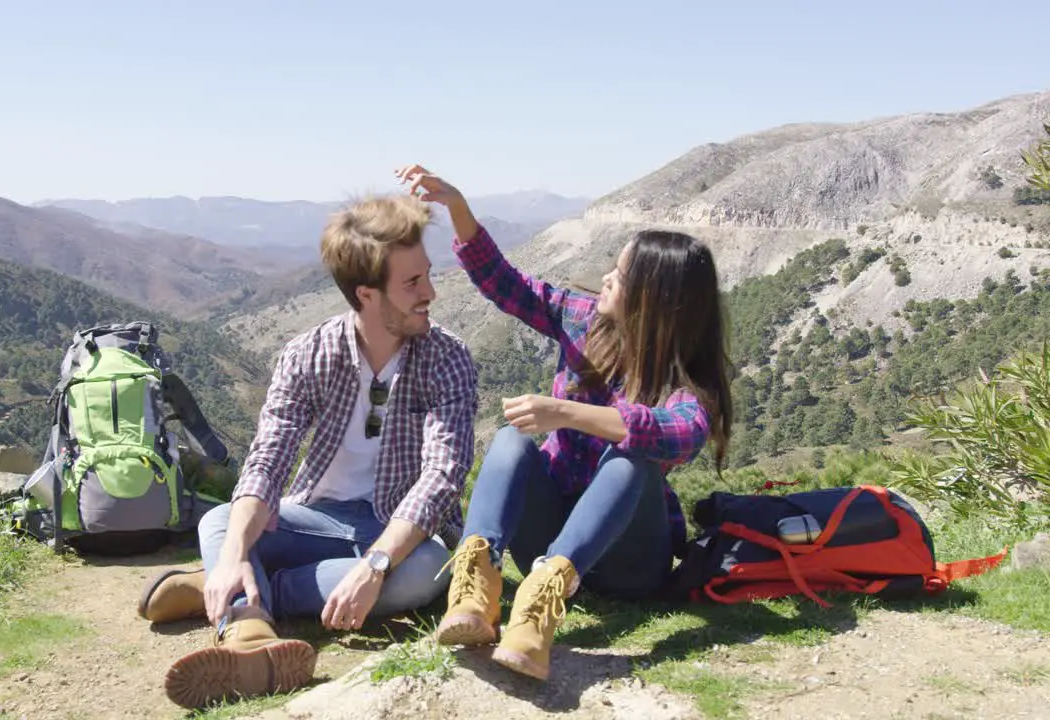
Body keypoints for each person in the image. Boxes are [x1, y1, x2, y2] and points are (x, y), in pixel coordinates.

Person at [136, 193, 479, 709]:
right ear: (366, 295)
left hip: (406, 531)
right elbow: (268, 458)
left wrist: (376, 564)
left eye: (427, 275)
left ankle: (233, 588)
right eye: (412, 283)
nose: (430, 292)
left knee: (420, 577)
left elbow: (442, 475)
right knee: (220, 525)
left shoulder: (447, 358)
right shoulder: (308, 355)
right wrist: (235, 550)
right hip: (318, 517)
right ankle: (249, 631)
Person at [394, 164, 731, 681]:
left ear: (652, 300)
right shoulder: (584, 317)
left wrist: (566, 412)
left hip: (628, 562)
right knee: (511, 441)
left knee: (631, 464)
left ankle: (542, 605)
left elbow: (679, 432)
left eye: (619, 276)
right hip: (543, 540)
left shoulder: (688, 381)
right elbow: (505, 284)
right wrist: (458, 208)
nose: (605, 279)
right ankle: (476, 587)